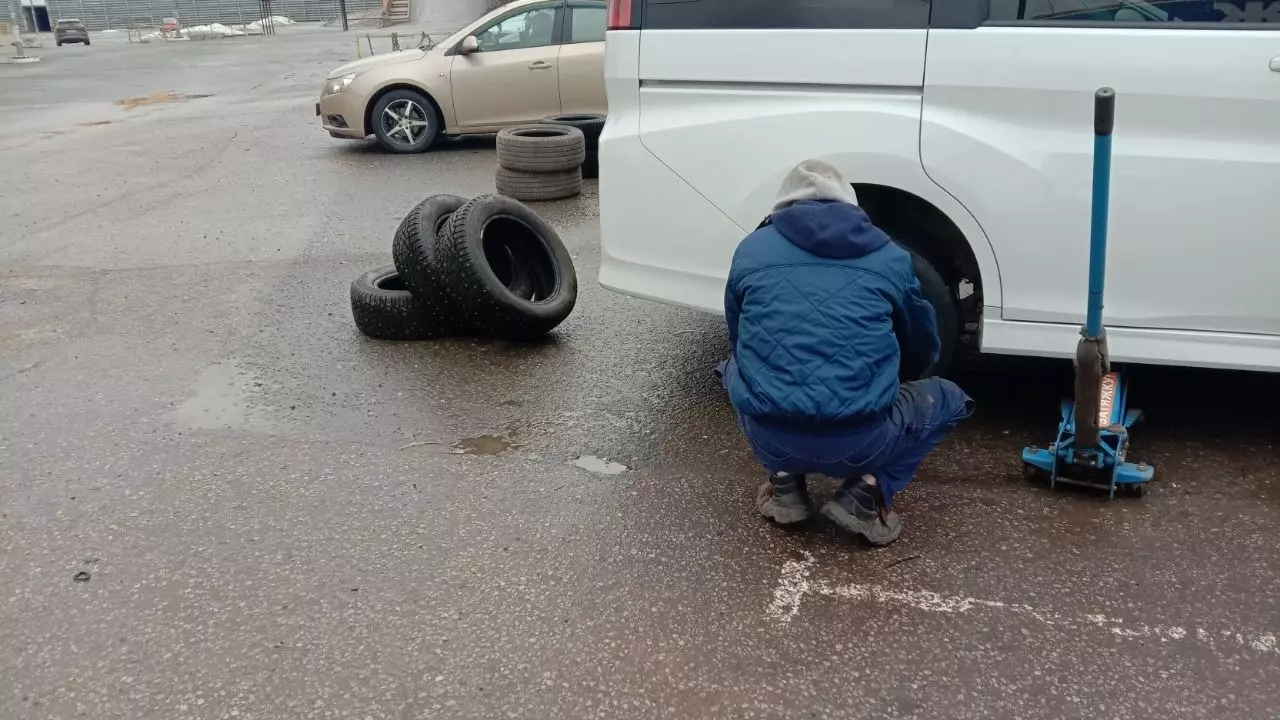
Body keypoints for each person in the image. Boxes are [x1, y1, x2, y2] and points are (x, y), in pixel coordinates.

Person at [721, 160, 973, 546]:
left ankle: (784, 483)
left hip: (770, 435)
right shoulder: (889, 256)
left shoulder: (751, 250)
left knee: (732, 367)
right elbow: (924, 346)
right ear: (851, 207)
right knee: (950, 399)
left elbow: (740, 337)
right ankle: (866, 492)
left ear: (782, 207)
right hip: (863, 441)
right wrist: (888, 378)